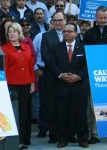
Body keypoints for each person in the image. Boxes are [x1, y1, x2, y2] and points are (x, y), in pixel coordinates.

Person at [49, 23, 89, 148]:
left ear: (75, 33)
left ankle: (82, 139)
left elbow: (87, 65)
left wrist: (79, 76)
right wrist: (61, 75)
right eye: (64, 31)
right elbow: (52, 64)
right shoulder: (56, 48)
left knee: (81, 115)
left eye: (69, 31)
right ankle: (63, 139)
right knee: (62, 115)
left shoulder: (84, 47)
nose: (66, 33)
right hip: (62, 86)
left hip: (79, 87)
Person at [83, 6, 107, 144]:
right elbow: (85, 53)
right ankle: (95, 134)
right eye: (100, 17)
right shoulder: (89, 33)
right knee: (93, 105)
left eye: (105, 17)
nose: (103, 20)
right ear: (96, 17)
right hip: (94, 73)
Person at [1, 22, 35, 150]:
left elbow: (30, 66)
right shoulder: (4, 48)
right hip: (12, 84)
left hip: (26, 84)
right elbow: (3, 69)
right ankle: (17, 140)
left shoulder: (27, 47)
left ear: (19, 33)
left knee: (25, 113)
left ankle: (26, 138)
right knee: (16, 113)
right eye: (9, 32)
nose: (12, 34)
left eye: (14, 31)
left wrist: (32, 82)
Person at [41, 11, 66, 143]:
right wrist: (59, 71)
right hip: (52, 77)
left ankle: (68, 134)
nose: (58, 23)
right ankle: (54, 135)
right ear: (52, 22)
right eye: (55, 20)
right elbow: (46, 56)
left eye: (60, 20)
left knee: (67, 107)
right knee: (52, 107)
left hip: (68, 78)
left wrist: (67, 72)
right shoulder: (46, 36)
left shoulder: (71, 34)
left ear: (65, 21)